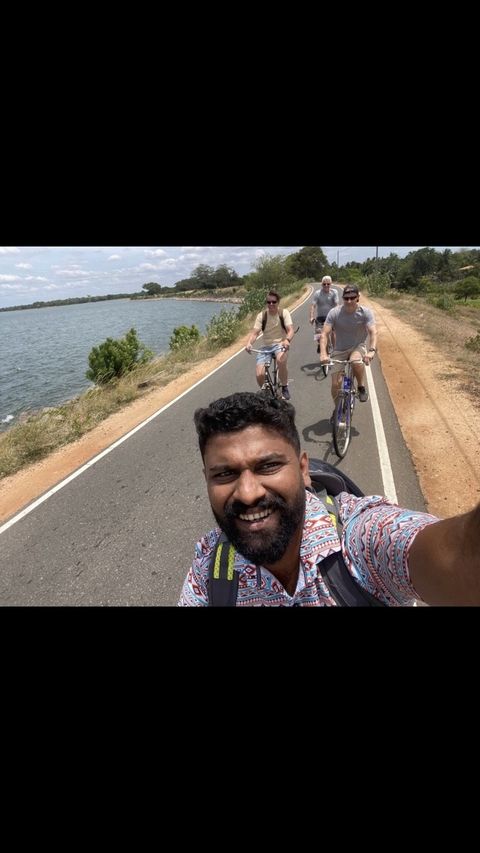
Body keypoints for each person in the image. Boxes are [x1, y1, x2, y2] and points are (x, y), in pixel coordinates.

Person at [178, 392, 480, 606]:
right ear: (207, 479)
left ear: (303, 468)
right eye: (225, 474)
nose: (247, 493)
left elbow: (458, 559)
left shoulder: (360, 538)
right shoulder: (210, 569)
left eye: (268, 466)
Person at [319, 284, 377, 422]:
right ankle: (338, 407)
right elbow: (324, 334)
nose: (349, 301)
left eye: (352, 298)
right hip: (339, 349)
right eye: (346, 298)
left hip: (358, 346)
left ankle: (361, 387)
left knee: (356, 361)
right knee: (335, 383)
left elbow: (373, 332)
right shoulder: (334, 313)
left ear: (358, 297)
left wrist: (371, 351)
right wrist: (323, 353)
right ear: (343, 298)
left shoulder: (365, 312)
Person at [245, 290, 295, 400]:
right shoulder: (261, 316)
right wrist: (249, 343)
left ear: (278, 302)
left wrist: (287, 340)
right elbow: (255, 333)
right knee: (259, 374)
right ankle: (265, 391)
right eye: (268, 302)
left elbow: (290, 330)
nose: (271, 304)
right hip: (266, 346)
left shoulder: (284, 313)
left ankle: (284, 387)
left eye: (274, 302)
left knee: (281, 360)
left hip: (280, 344)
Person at [309, 276, 339, 352]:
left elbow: (336, 305)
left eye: (328, 284)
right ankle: (320, 344)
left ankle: (334, 349)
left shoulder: (334, 292)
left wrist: (336, 315)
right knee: (318, 332)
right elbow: (313, 306)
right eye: (324, 284)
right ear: (322, 284)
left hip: (331, 317)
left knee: (333, 332)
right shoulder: (317, 293)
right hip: (320, 317)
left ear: (330, 284)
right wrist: (311, 317)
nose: (326, 285)